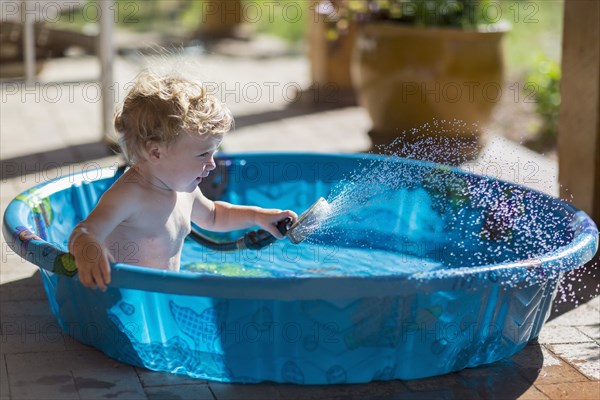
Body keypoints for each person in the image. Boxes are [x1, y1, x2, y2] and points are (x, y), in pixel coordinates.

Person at [68, 71, 297, 291]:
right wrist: (90, 250)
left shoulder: (184, 190)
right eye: (202, 155)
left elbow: (215, 215)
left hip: (164, 300)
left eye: (213, 153)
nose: (212, 164)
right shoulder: (130, 194)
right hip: (129, 303)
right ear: (156, 153)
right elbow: (84, 232)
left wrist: (258, 216)